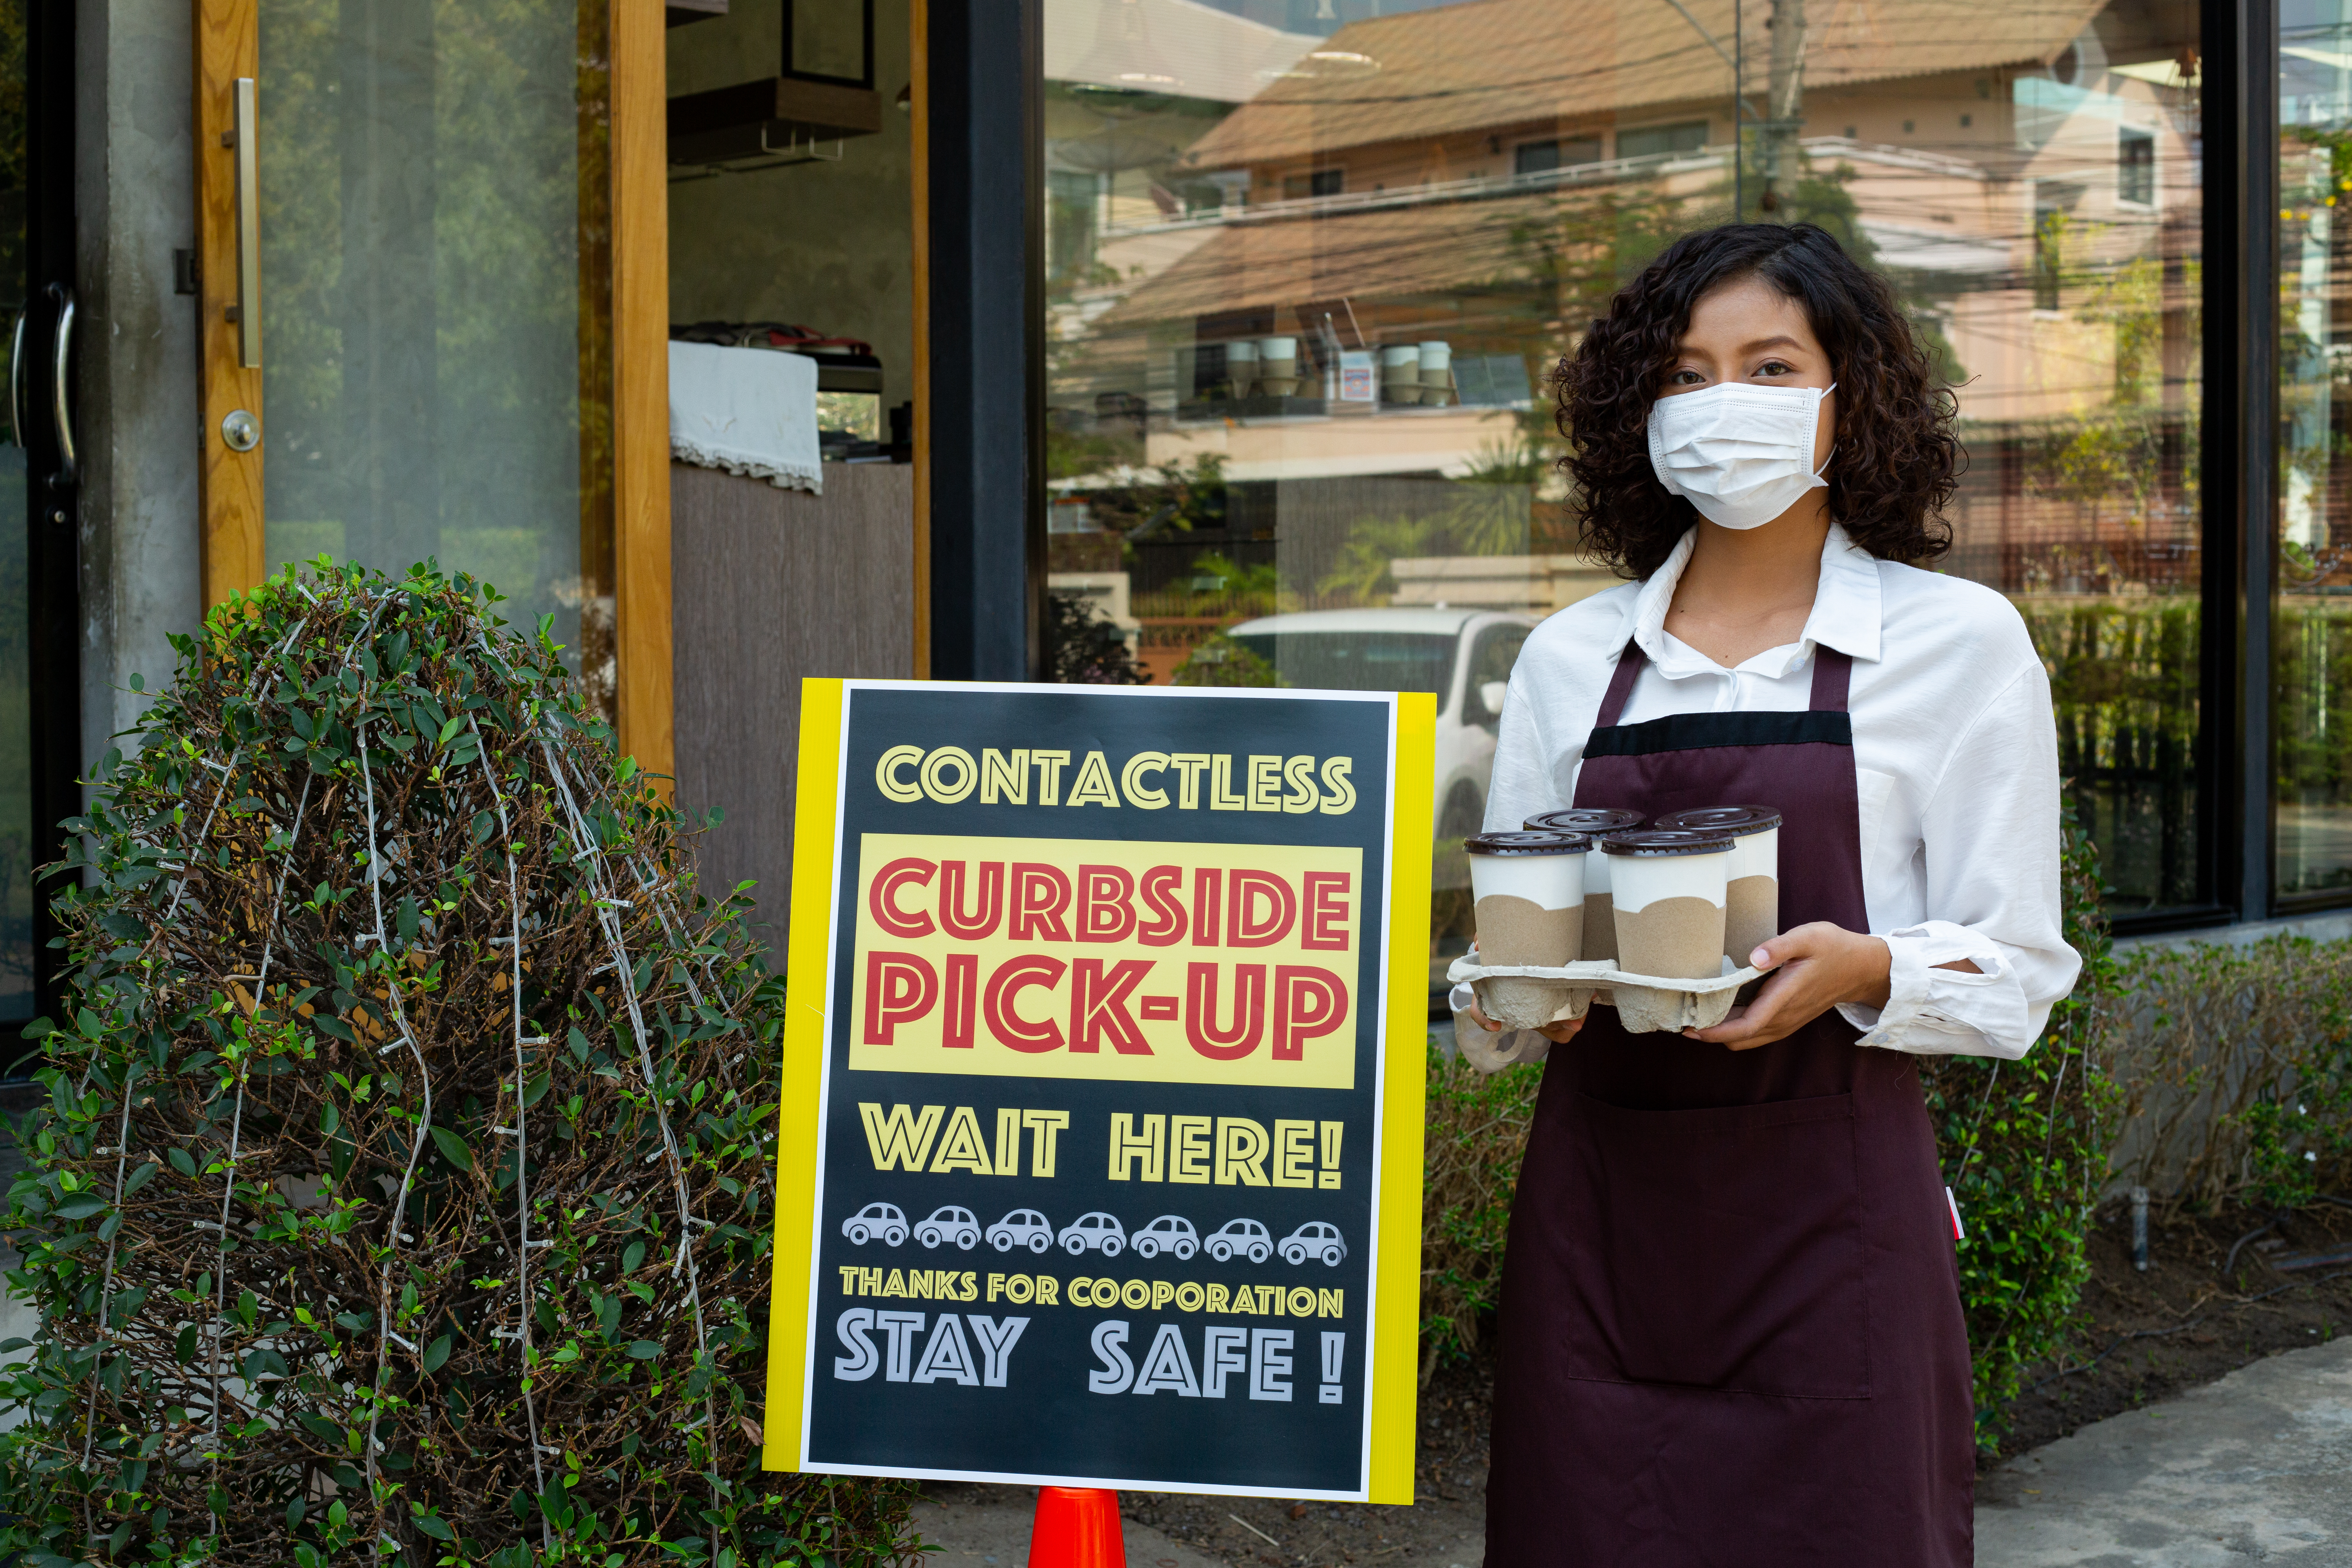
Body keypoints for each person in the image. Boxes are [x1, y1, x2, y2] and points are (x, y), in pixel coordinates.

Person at [1471, 223, 2079, 1565]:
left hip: (1836, 1241)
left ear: (1845, 398)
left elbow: (2020, 977)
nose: (1720, 405)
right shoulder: (1574, 658)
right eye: (1686, 375)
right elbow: (1513, 965)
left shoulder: (1956, 645)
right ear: (1645, 412)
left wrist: (1869, 972)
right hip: (1602, 1228)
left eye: (1767, 365)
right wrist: (1523, 1002)